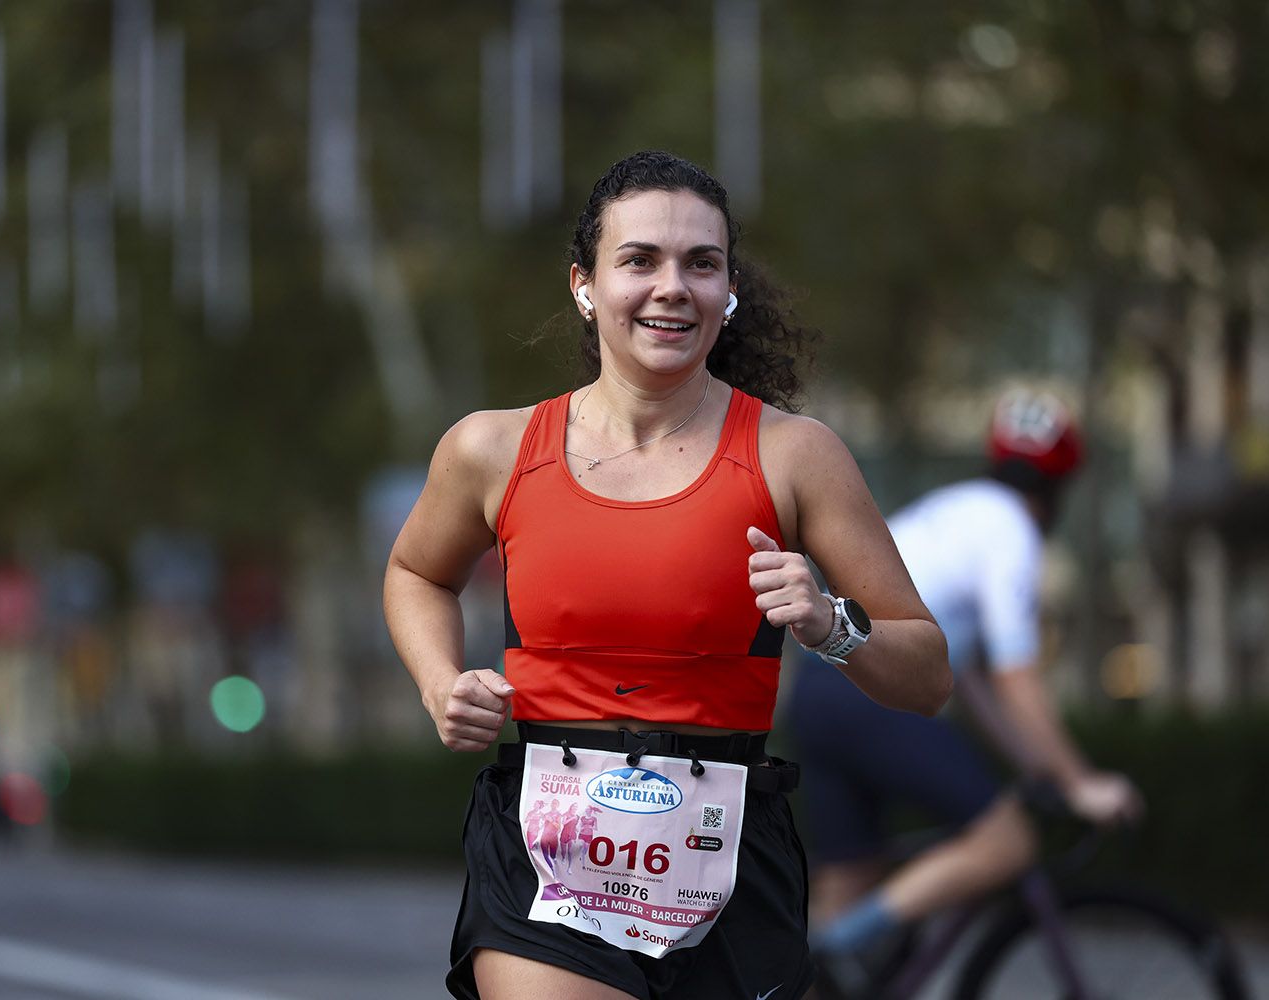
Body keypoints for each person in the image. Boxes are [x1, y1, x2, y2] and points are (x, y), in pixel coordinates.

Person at [383, 150, 950, 1000]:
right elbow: (415, 572)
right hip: (549, 848)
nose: (672, 285)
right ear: (585, 284)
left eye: (702, 262)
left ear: (728, 291)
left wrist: (832, 624)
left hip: (728, 855)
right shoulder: (491, 449)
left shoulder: (796, 455)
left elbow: (928, 673)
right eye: (640, 260)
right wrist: (437, 682)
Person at [784, 388, 1145, 982]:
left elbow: (971, 684)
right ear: (1058, 491)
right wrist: (1080, 782)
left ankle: (823, 953)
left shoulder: (959, 508)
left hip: (820, 689)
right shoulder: (1014, 534)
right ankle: (828, 949)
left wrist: (1038, 770)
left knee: (849, 881)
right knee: (1009, 844)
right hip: (872, 692)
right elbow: (1016, 679)